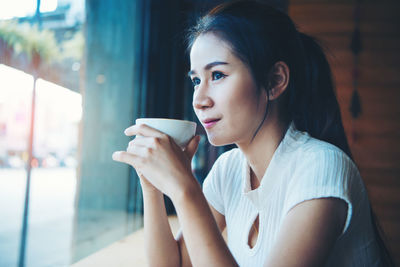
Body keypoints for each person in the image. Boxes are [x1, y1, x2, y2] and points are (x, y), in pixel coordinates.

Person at [112, 1, 394, 266]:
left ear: (275, 81)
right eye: (196, 80)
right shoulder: (229, 169)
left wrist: (186, 189)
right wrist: (152, 185)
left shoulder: (321, 166)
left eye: (218, 75)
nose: (199, 99)